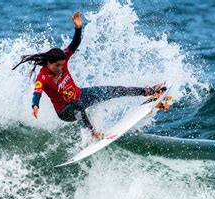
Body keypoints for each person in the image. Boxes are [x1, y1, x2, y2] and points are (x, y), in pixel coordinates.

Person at [12, 11, 165, 139]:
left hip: (79, 96)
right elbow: (37, 92)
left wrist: (78, 28)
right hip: (65, 111)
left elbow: (75, 44)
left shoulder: (62, 59)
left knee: (111, 90)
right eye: (57, 66)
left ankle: (149, 91)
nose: (60, 68)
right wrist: (35, 105)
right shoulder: (43, 77)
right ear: (48, 63)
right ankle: (93, 134)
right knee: (78, 107)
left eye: (61, 65)